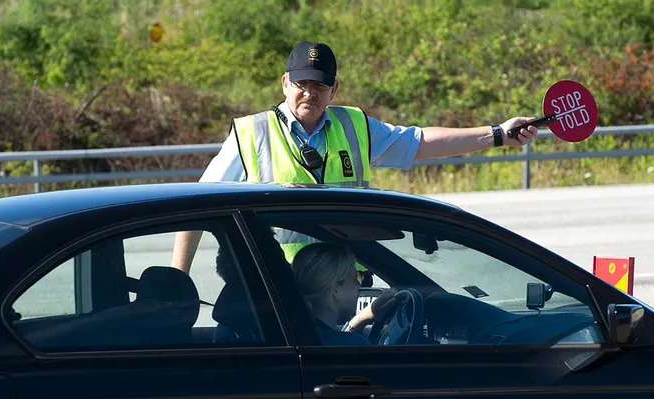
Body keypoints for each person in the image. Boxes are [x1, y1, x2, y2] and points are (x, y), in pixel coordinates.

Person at [171, 40, 538, 273]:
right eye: (301, 84)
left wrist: (495, 135)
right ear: (285, 83)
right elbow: (195, 208)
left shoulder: (355, 125)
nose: (309, 94)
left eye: (319, 85)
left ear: (334, 88)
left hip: (344, 289)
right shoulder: (252, 134)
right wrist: (178, 281)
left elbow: (419, 142)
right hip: (277, 293)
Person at [291, 241, 398, 345]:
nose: (359, 285)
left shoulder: (294, 333)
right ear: (336, 289)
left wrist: (362, 319)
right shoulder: (354, 344)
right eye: (356, 278)